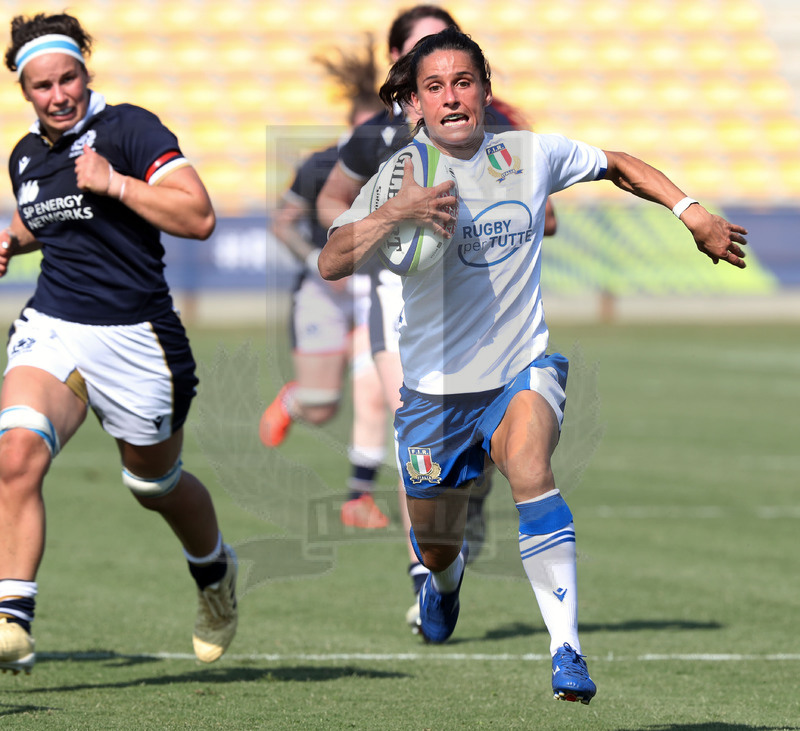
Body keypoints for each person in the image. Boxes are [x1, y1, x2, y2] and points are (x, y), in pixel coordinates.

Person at [319, 27, 747, 705]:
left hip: (521, 367)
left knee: (530, 466)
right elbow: (332, 258)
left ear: (486, 91)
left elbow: (616, 163)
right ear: (417, 106)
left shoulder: (527, 155)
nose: (452, 97)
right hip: (433, 394)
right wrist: (396, 211)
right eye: (435, 87)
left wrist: (689, 211)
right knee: (436, 546)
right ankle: (445, 580)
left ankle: (566, 649)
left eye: (464, 82)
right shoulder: (400, 176)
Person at [0, 12, 239, 674]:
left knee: (152, 482)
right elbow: (38, 214)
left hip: (139, 340)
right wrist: (9, 240)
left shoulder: (131, 128)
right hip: (54, 325)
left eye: (68, 78)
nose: (58, 95)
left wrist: (115, 182)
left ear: (86, 71)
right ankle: (11, 617)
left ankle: (214, 572)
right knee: (15, 448)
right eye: (42, 85)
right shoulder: (26, 153)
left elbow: (199, 216)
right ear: (26, 92)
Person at [316, 3, 557, 632]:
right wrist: (381, 227)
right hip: (402, 295)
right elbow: (332, 204)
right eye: (425, 57)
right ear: (405, 71)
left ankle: (460, 498)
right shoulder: (375, 135)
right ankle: (427, 574)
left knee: (477, 448)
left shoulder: (496, 125)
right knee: (409, 413)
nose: (445, 77)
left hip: (484, 301)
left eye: (454, 63)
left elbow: (543, 206)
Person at [260, 37, 390, 530]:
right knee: (321, 408)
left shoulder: (398, 161)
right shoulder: (320, 164)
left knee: (374, 388)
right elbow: (282, 222)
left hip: (373, 292)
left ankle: (358, 496)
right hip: (323, 291)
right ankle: (295, 398)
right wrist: (319, 259)